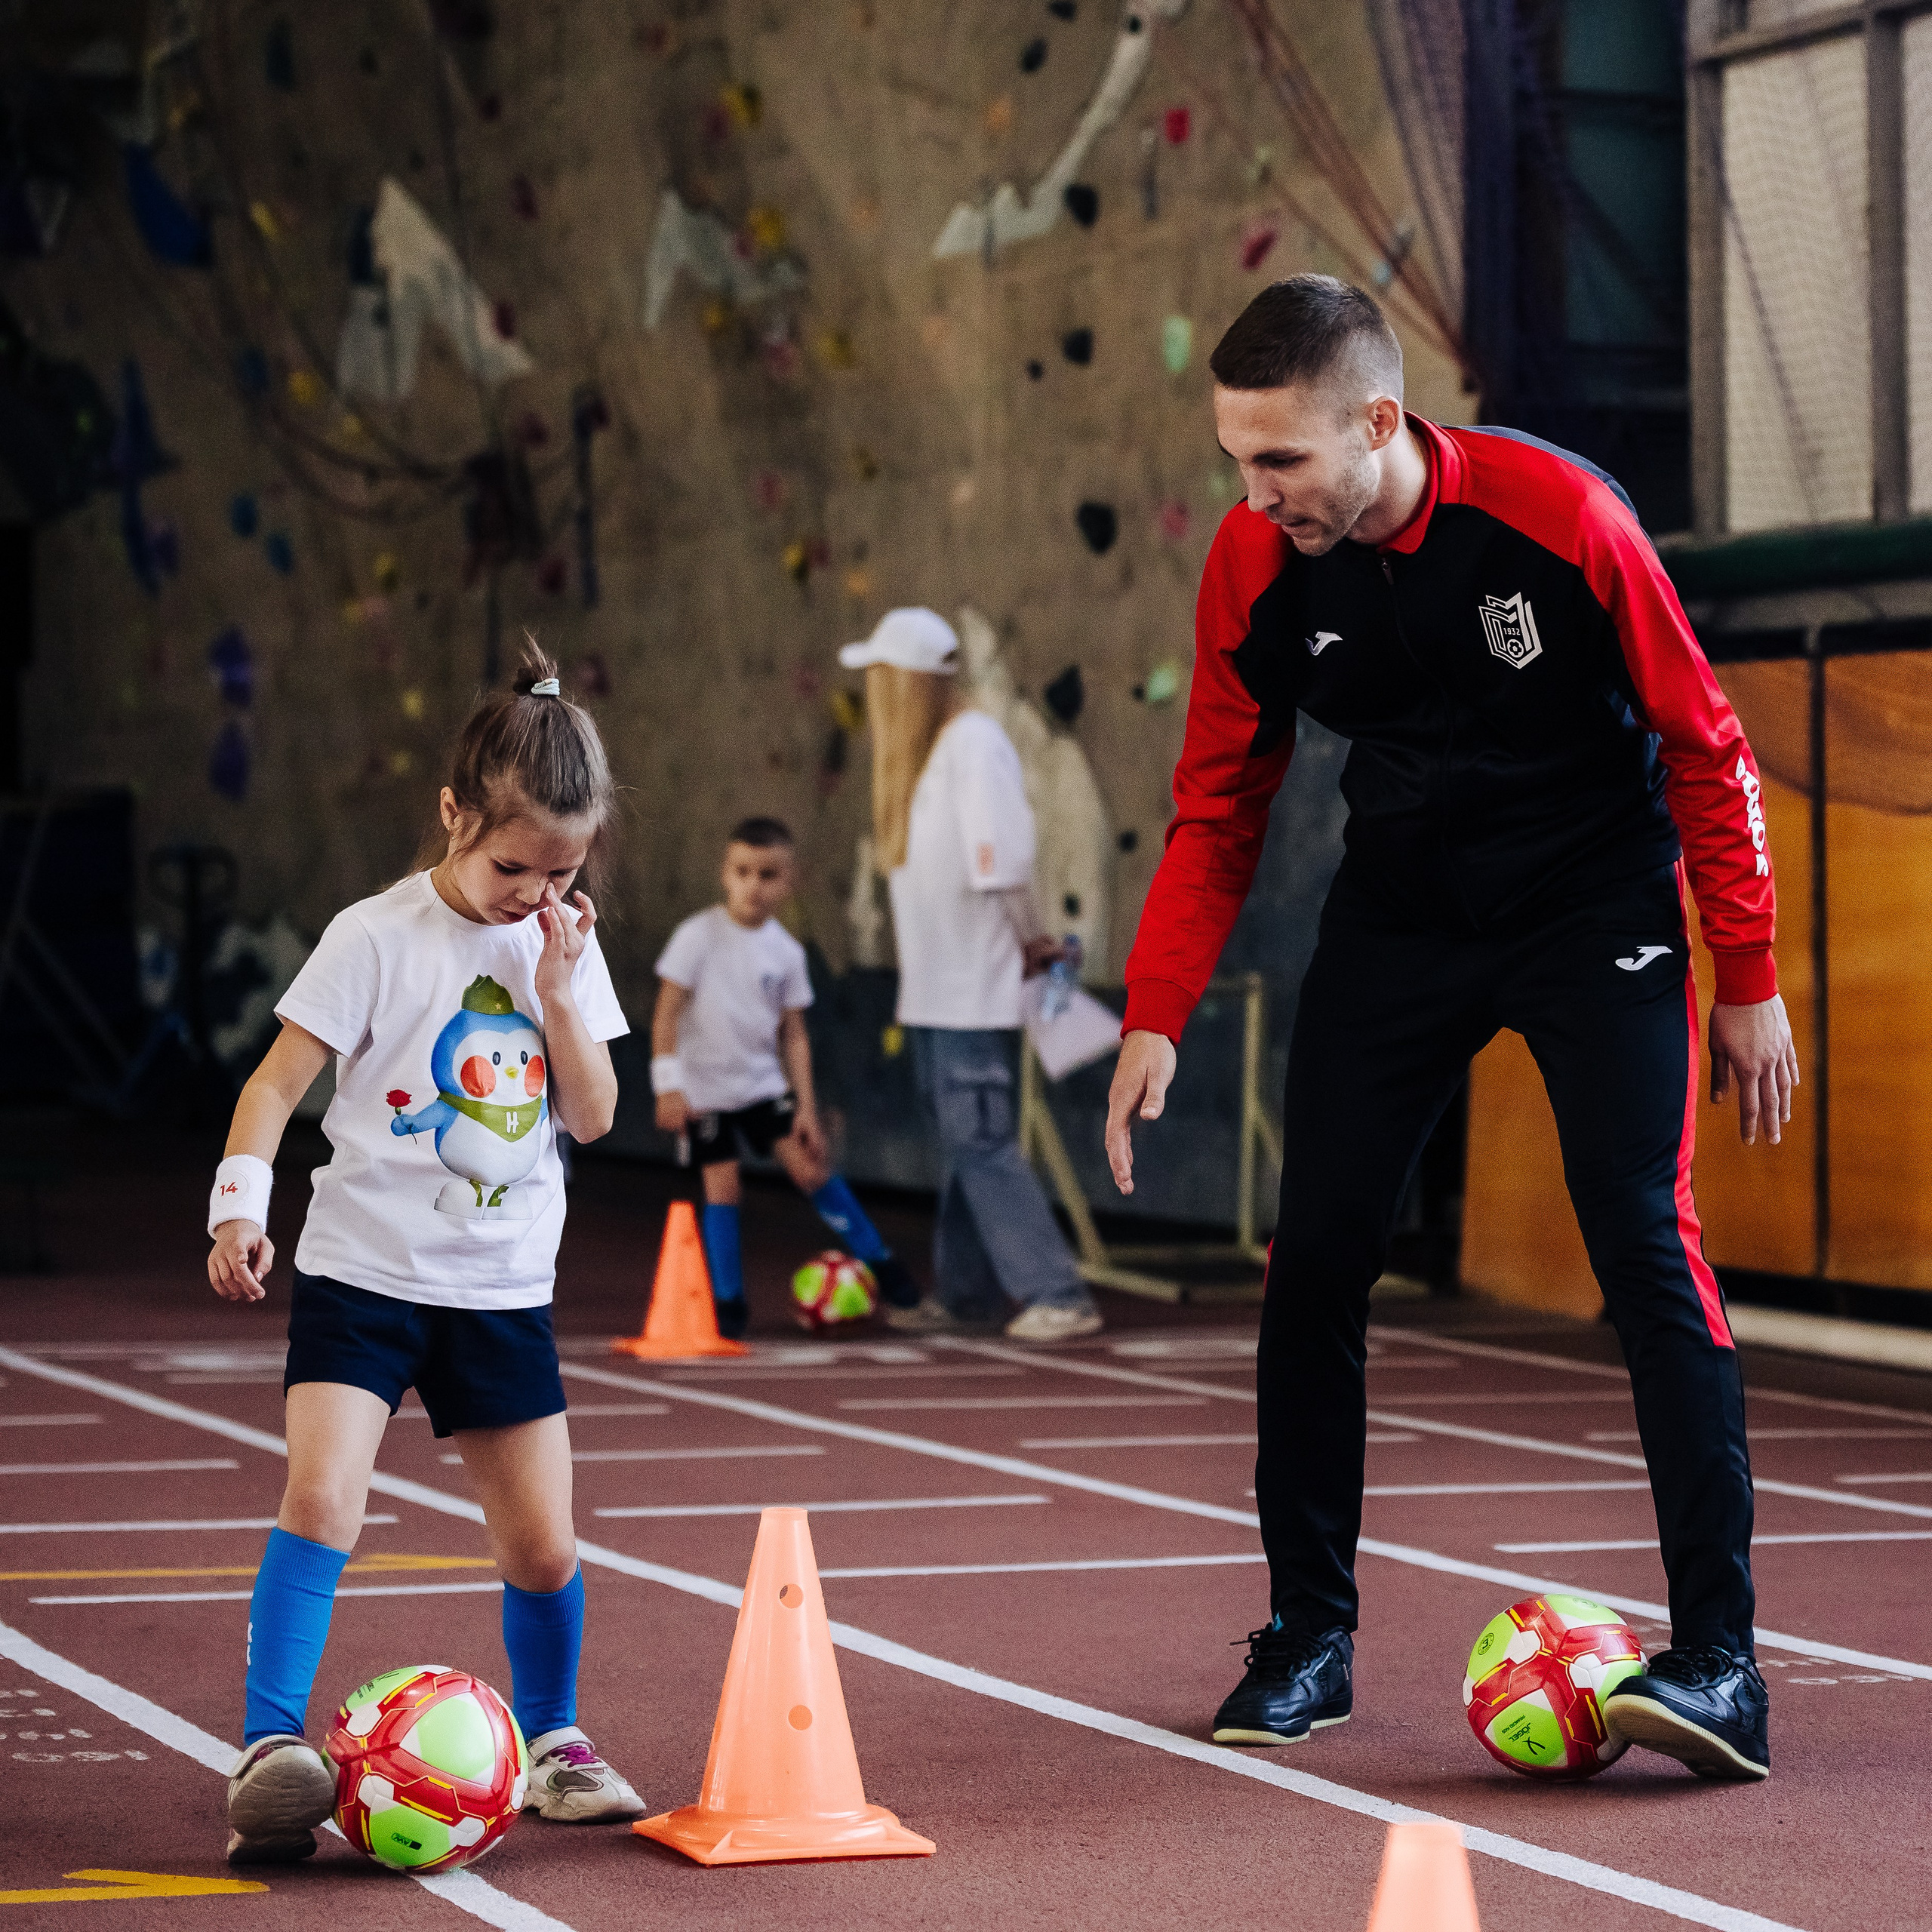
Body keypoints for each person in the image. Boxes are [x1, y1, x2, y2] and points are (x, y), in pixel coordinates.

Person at [1105, 277, 1797, 1781]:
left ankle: (1720, 1660)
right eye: (1232, 457)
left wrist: (1739, 971)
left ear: (1374, 420)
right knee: (1316, 1256)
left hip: (1588, 896)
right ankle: (1306, 1633)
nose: (1250, 492)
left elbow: (1703, 742)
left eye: (1277, 459)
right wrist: (1156, 1006)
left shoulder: (1561, 520)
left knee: (1639, 1235)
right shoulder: (1251, 564)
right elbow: (1218, 800)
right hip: (1402, 909)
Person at [205, 644, 645, 1864]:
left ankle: (553, 1744)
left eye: (562, 870)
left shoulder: (561, 941)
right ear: (453, 818)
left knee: (543, 1546)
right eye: (512, 865)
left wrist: (558, 986)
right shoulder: (373, 935)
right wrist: (239, 1209)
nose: (532, 892)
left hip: (499, 1292)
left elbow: (598, 1114)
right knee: (322, 1492)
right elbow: (273, 1084)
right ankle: (270, 1748)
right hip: (360, 1276)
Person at [843, 606, 1103, 1343]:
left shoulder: (975, 745)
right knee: (964, 1141)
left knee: (980, 1139)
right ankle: (965, 1293)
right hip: (936, 990)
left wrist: (1029, 942)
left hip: (973, 990)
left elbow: (1002, 866)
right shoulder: (935, 755)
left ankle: (1056, 1291)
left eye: (881, 677)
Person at [651, 815, 920, 1334]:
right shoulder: (696, 937)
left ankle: (883, 1263)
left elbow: (794, 1035)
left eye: (768, 874)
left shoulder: (788, 953)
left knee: (811, 1171)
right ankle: (729, 1304)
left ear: (789, 881)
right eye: (743, 871)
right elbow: (665, 1013)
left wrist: (805, 1106)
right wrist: (669, 1086)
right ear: (725, 874)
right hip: (706, 1094)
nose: (754, 885)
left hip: (761, 1087)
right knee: (723, 1188)